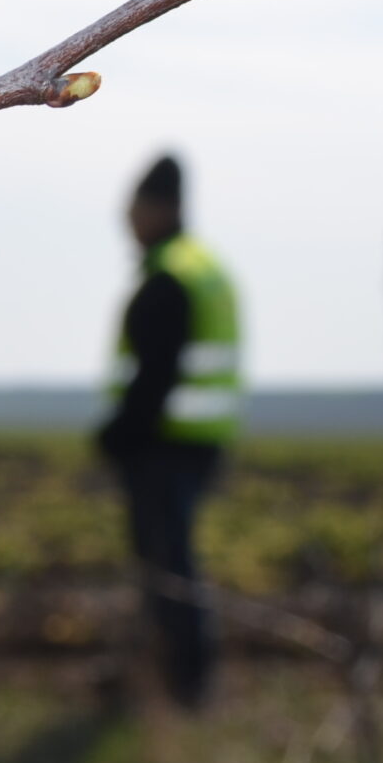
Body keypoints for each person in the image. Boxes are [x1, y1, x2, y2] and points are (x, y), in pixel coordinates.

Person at [96, 153, 240, 709]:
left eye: (133, 208)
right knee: (169, 565)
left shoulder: (171, 276)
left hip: (164, 447)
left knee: (170, 571)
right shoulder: (204, 268)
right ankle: (165, 679)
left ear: (159, 209)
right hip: (198, 441)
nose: (127, 220)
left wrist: (117, 436)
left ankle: (185, 690)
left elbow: (156, 374)